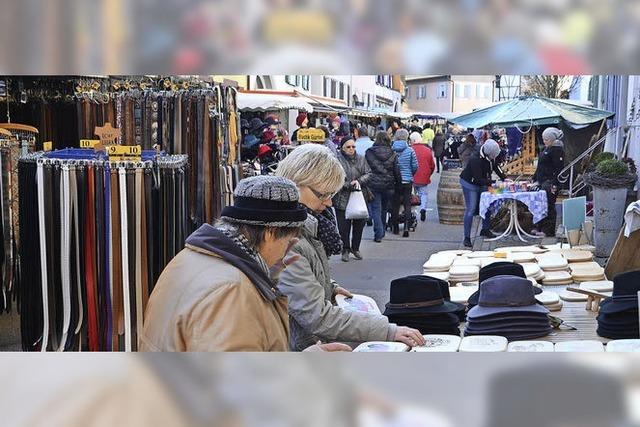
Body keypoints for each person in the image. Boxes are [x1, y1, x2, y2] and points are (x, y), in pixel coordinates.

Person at [140, 176, 350, 352]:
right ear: (270, 233)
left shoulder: (193, 257)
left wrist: (266, 278)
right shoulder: (231, 290)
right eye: (288, 240)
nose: (288, 249)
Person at [275, 144, 425, 351]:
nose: (328, 202)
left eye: (331, 195)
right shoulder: (288, 238)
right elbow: (317, 316)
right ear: (297, 184)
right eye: (323, 194)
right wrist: (387, 330)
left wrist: (329, 285)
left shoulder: (307, 225)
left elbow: (303, 278)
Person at [333, 136, 372, 262]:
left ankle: (355, 248)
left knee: (359, 224)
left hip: (359, 196)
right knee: (343, 226)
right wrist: (347, 184)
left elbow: (369, 173)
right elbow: (334, 178)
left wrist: (359, 181)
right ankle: (345, 248)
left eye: (353, 146)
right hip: (342, 197)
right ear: (342, 148)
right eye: (348, 147)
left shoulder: (361, 159)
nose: (351, 149)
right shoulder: (337, 160)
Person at [459, 139, 503, 247]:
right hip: (470, 183)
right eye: (493, 156)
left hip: (482, 181)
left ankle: (485, 229)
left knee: (487, 204)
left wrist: (504, 178)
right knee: (471, 209)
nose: (494, 158)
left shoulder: (491, 155)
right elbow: (478, 179)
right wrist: (494, 182)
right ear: (489, 154)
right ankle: (467, 237)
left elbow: (496, 166)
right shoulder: (475, 159)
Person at [366, 132, 400, 243]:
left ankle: (378, 233)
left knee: (376, 208)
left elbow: (366, 169)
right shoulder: (393, 153)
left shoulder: (369, 152)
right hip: (389, 185)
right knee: (384, 208)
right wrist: (398, 183)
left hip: (374, 184)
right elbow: (396, 171)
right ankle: (382, 230)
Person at [531, 127, 565, 237]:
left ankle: (548, 230)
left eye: (547, 139)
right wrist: (534, 178)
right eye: (543, 139)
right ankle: (539, 226)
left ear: (553, 139)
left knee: (549, 206)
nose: (544, 141)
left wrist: (555, 184)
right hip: (542, 182)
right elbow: (540, 166)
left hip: (550, 183)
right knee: (539, 205)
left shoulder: (557, 150)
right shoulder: (546, 149)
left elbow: (558, 169)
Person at [391, 129, 419, 238]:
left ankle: (396, 228)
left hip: (395, 181)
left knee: (395, 204)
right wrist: (410, 174)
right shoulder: (410, 150)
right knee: (407, 203)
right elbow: (415, 166)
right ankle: (406, 227)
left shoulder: (391, 150)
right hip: (407, 181)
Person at [410, 132, 436, 222]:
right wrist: (429, 174)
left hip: (412, 177)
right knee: (423, 194)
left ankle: (412, 212)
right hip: (423, 177)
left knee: (412, 195)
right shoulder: (427, 150)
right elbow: (432, 165)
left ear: (412, 140)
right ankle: (423, 208)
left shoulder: (410, 149)